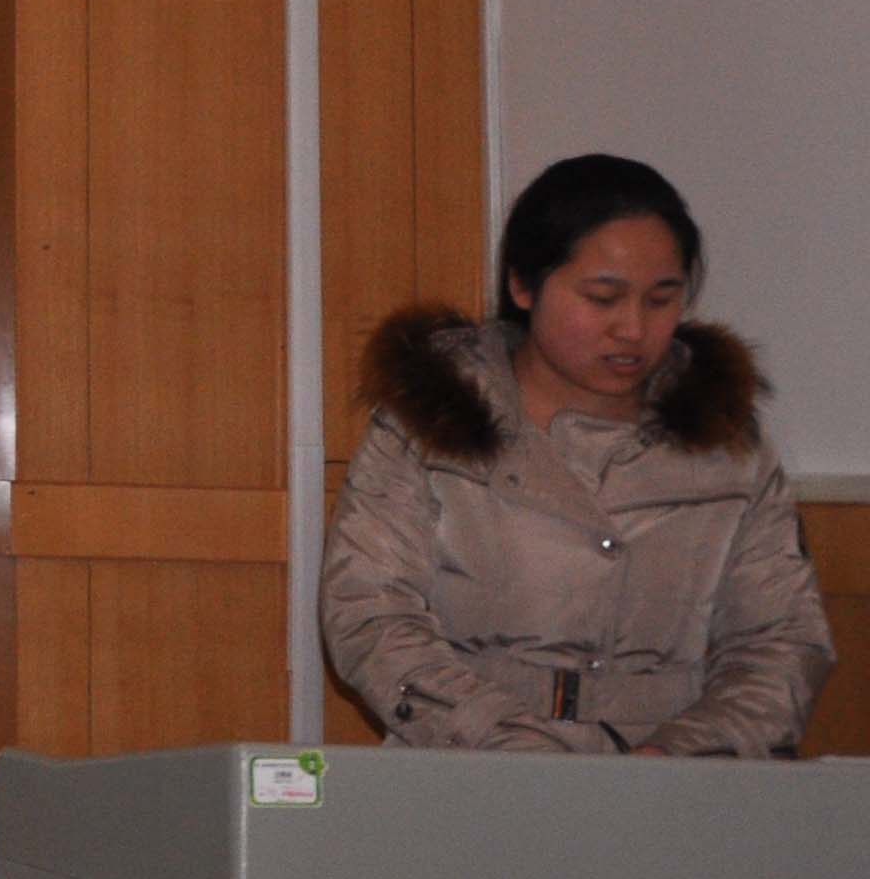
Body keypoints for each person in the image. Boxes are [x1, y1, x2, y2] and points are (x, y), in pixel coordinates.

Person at [325, 155, 834, 754]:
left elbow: (781, 643)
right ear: (523, 285)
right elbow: (371, 617)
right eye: (602, 298)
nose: (632, 328)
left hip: (674, 776)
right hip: (471, 763)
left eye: (661, 299)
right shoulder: (429, 421)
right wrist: (515, 748)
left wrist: (681, 755)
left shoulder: (728, 444)